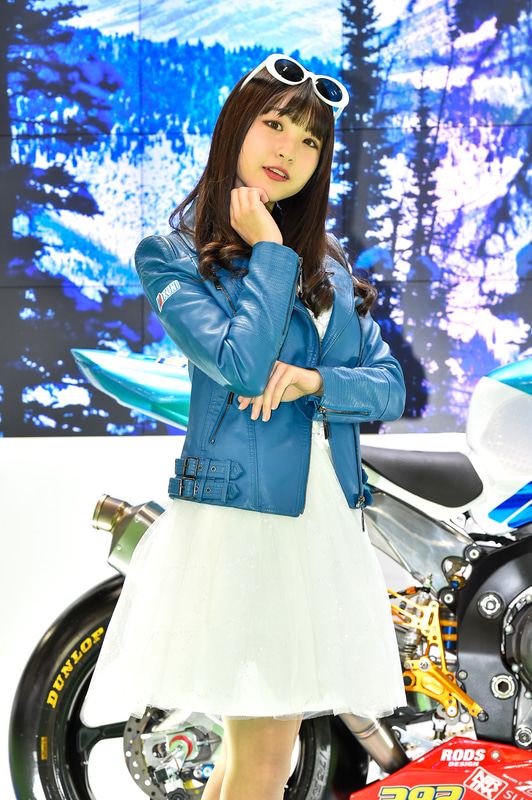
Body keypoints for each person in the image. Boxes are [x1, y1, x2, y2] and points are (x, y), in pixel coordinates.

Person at [83, 53, 407, 799]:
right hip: (245, 518)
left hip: (321, 515)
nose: (289, 150)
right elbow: (240, 363)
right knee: (263, 757)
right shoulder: (173, 256)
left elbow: (389, 386)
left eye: (310, 140)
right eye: (274, 125)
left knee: (254, 756)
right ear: (236, 126)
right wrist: (268, 252)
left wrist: (317, 382)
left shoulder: (326, 264)